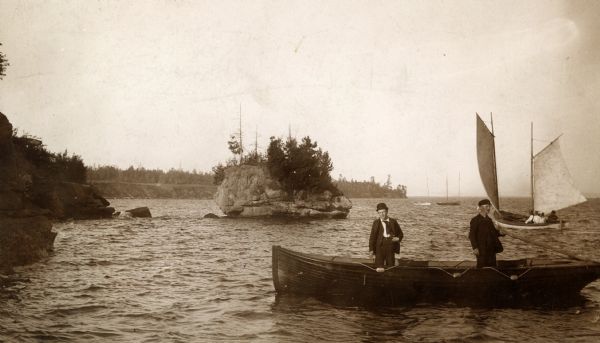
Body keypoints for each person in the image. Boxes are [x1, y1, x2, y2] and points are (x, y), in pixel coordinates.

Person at [469, 199, 504, 268]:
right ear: (481, 208)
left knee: (492, 267)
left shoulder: (489, 220)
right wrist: (475, 248)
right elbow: (471, 235)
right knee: (481, 267)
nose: (489, 209)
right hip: (481, 249)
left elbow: (494, 233)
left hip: (491, 248)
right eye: (486, 206)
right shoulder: (475, 220)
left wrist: (501, 232)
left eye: (489, 207)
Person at [369, 202, 403, 270]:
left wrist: (398, 238)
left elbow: (401, 234)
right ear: (378, 213)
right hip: (379, 247)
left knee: (390, 267)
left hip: (391, 246)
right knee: (378, 267)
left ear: (387, 211)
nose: (382, 214)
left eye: (383, 212)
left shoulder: (393, 222)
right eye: (380, 212)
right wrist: (371, 249)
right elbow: (372, 237)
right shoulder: (376, 223)